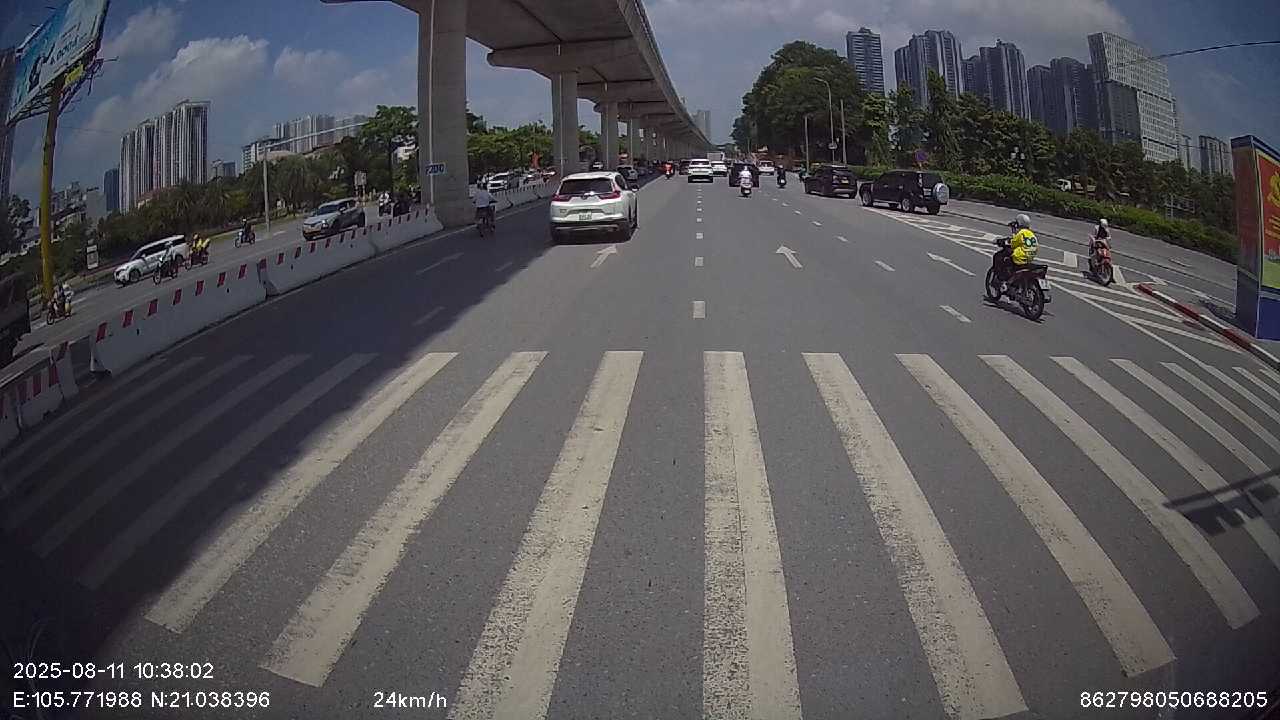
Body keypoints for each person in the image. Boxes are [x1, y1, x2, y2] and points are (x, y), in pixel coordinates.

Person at [995, 214, 1038, 291]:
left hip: (1020, 257)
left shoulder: (1021, 233)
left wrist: (1000, 241)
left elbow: (1012, 243)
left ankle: (1005, 281)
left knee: (1003, 259)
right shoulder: (1031, 234)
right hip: (1030, 257)